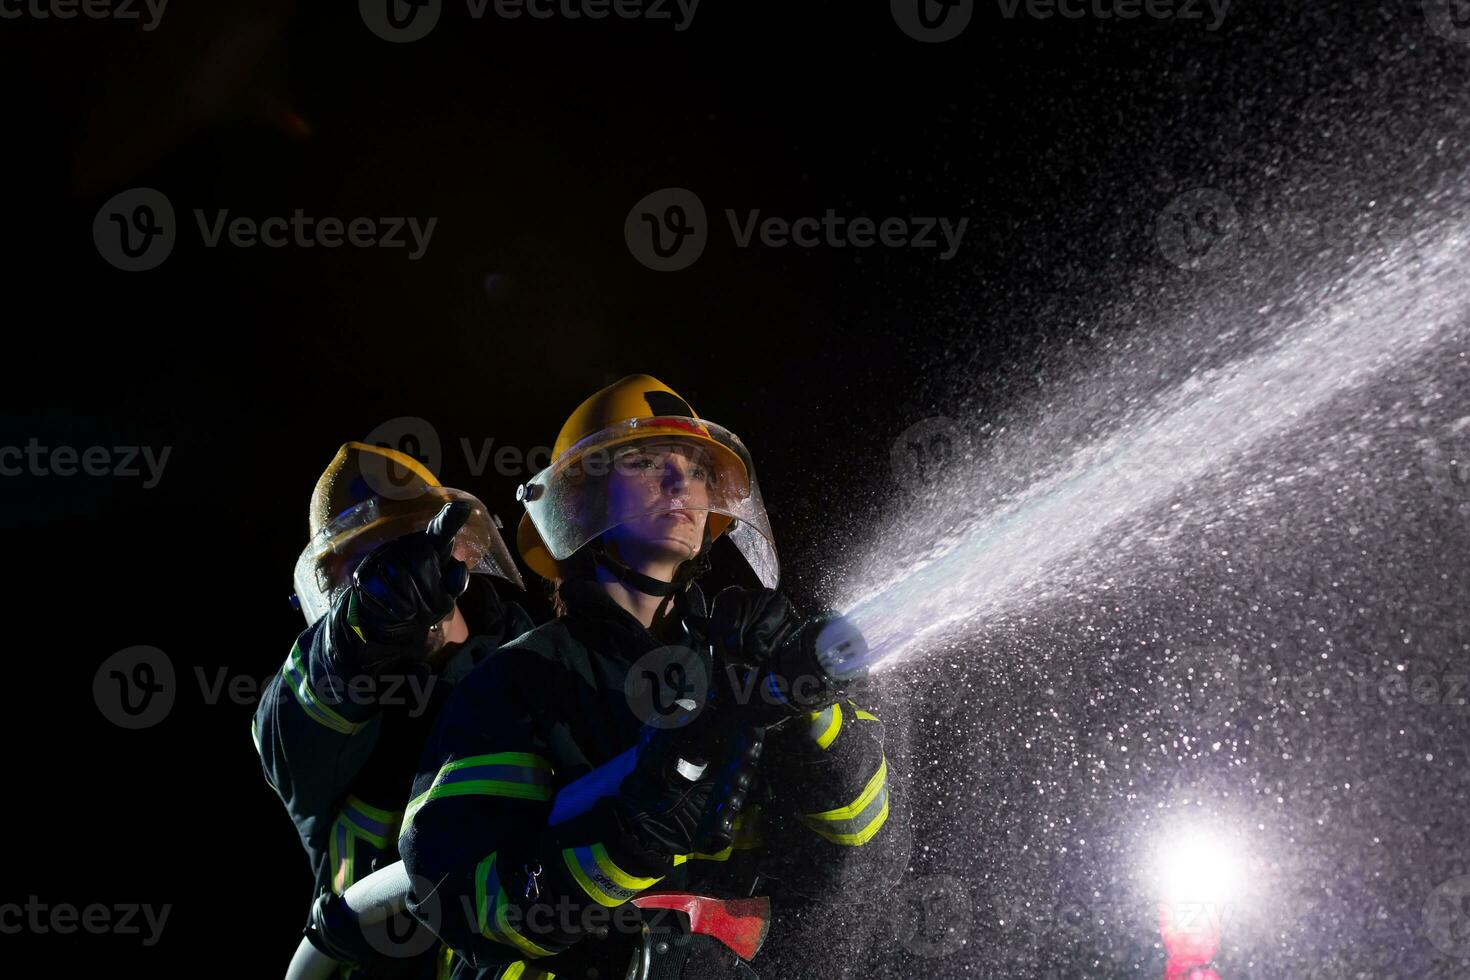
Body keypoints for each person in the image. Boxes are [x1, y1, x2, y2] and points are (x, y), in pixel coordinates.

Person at [397, 376, 909, 979]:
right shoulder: (518, 680)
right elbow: (461, 897)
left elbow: (861, 830)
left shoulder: (736, 658)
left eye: (695, 469)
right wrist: (630, 834)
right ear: (580, 503)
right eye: (644, 462)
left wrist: (799, 703)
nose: (680, 484)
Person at [254, 441, 536, 979]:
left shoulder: (540, 666)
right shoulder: (331, 714)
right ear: (334, 586)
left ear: (460, 549)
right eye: (369, 569)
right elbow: (291, 719)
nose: (399, 580)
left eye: (407, 547)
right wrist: (360, 636)